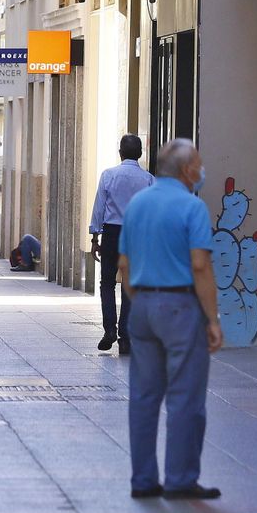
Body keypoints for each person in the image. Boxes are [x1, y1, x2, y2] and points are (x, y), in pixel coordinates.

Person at [120, 138, 224, 499]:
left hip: (143, 304)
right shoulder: (192, 207)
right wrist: (212, 320)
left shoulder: (137, 204)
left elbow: (123, 265)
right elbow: (200, 265)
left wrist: (141, 299)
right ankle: (180, 479)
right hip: (180, 306)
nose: (201, 169)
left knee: (144, 397)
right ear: (186, 170)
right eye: (198, 163)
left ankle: (143, 479)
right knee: (185, 397)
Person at [90, 135, 154, 354]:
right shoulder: (148, 179)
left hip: (112, 233)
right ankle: (125, 337)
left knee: (107, 282)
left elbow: (99, 207)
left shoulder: (109, 175)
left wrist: (94, 237)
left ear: (120, 153)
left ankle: (110, 328)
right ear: (140, 154)